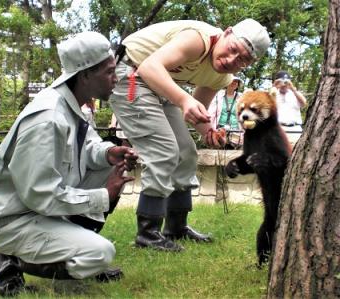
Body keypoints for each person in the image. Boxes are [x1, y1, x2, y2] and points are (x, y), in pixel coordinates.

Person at [0, 32, 138, 297]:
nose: (116, 78)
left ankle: (71, 243)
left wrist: (109, 154)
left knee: (109, 166)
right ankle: (7, 259)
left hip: (33, 207)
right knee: (100, 254)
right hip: (10, 218)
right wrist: (102, 196)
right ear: (85, 74)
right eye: (109, 71)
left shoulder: (71, 104)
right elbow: (40, 193)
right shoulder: (49, 118)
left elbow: (86, 147)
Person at [110, 19, 270, 251]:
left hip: (158, 85)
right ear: (226, 33)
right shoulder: (197, 40)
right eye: (233, 49)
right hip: (131, 73)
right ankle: (147, 234)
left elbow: (196, 112)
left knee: (186, 152)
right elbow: (149, 67)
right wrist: (184, 100)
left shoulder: (221, 77)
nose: (231, 60)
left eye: (242, 60)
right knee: (163, 150)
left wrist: (209, 132)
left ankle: (176, 227)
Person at [208, 76, 243, 149]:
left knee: (233, 153)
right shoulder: (217, 95)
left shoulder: (242, 97)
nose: (234, 83)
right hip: (220, 129)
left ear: (238, 85)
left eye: (236, 82)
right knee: (218, 152)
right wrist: (209, 129)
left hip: (236, 131)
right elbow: (211, 113)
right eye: (232, 81)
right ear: (226, 82)